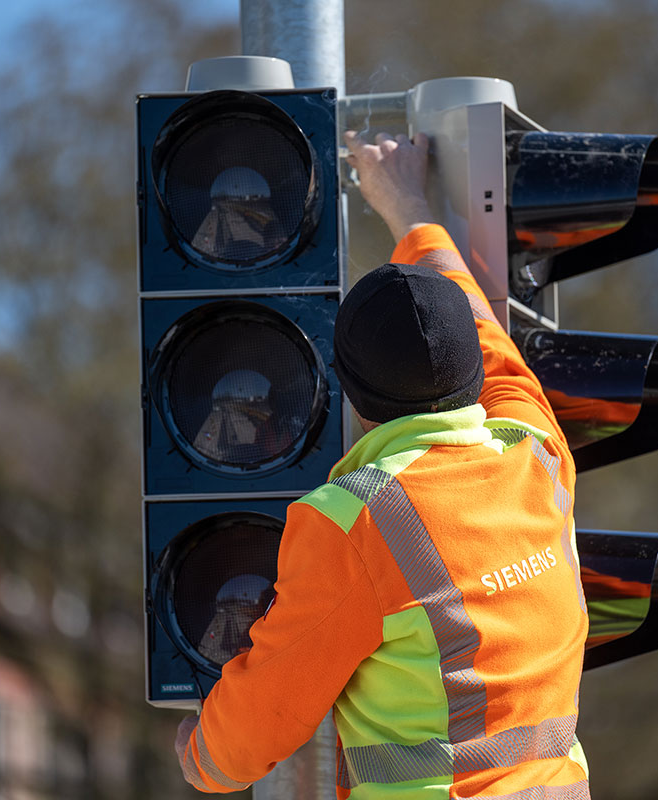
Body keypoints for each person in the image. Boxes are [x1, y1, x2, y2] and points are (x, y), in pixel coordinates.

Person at [174, 130, 590, 798]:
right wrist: (411, 210)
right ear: (474, 371)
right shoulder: (534, 449)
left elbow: (263, 717)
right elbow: (484, 332)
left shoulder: (354, 522)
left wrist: (201, 757)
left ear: (354, 398)